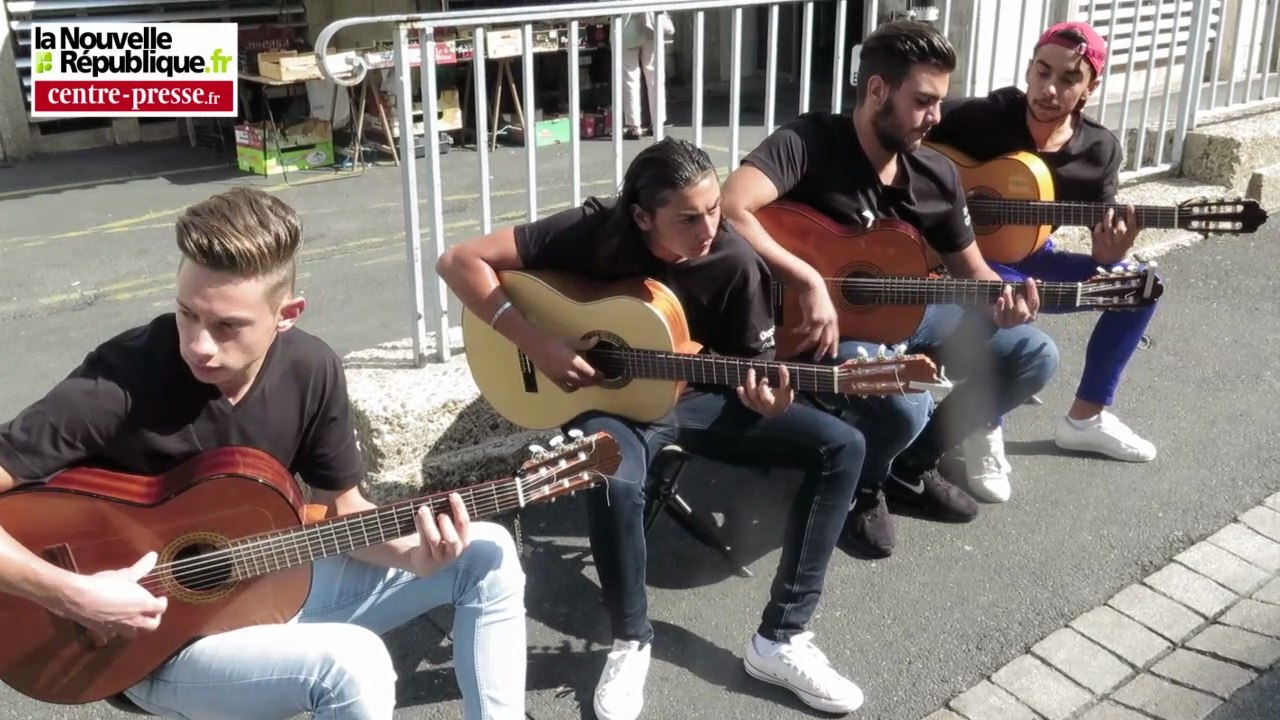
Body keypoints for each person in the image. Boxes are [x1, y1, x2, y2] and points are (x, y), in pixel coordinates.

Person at [0, 187, 527, 719]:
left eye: (228, 326)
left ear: (287, 313)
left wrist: (414, 557)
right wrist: (70, 595)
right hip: (144, 645)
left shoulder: (311, 370)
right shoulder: (121, 379)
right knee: (353, 662)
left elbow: (345, 512)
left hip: (267, 588)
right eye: (186, 314)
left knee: (488, 554)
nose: (199, 345)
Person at [437, 137, 868, 719]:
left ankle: (781, 639)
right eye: (688, 218)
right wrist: (537, 342)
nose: (709, 227)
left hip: (700, 402)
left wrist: (766, 404)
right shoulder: (595, 230)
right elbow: (457, 261)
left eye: (714, 209)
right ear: (642, 217)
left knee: (843, 445)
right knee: (611, 474)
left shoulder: (736, 263)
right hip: (609, 404)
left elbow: (754, 374)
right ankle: (630, 639)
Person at [721, 20, 1060, 558]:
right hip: (816, 332)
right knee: (904, 404)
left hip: (911, 311)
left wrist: (1011, 299)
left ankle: (906, 468)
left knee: (1033, 352)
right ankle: (860, 485)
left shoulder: (935, 174)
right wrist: (804, 277)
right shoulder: (808, 143)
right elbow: (729, 209)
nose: (936, 117)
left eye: (941, 101)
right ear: (877, 90)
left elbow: (974, 274)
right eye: (923, 101)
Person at [926, 20, 1157, 499]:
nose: (1050, 89)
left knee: (1138, 285)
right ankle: (983, 422)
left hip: (1034, 254)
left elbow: (1104, 239)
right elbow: (908, 134)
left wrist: (1107, 253)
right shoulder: (982, 116)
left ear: (1091, 87)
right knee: (1001, 291)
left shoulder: (1098, 150)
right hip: (960, 258)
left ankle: (1085, 418)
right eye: (1042, 71)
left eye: (1069, 79)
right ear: (1029, 70)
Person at [620, 11, 673, 139]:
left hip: (625, 26)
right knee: (655, 75)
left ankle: (634, 126)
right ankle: (657, 122)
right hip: (651, 23)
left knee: (630, 76)